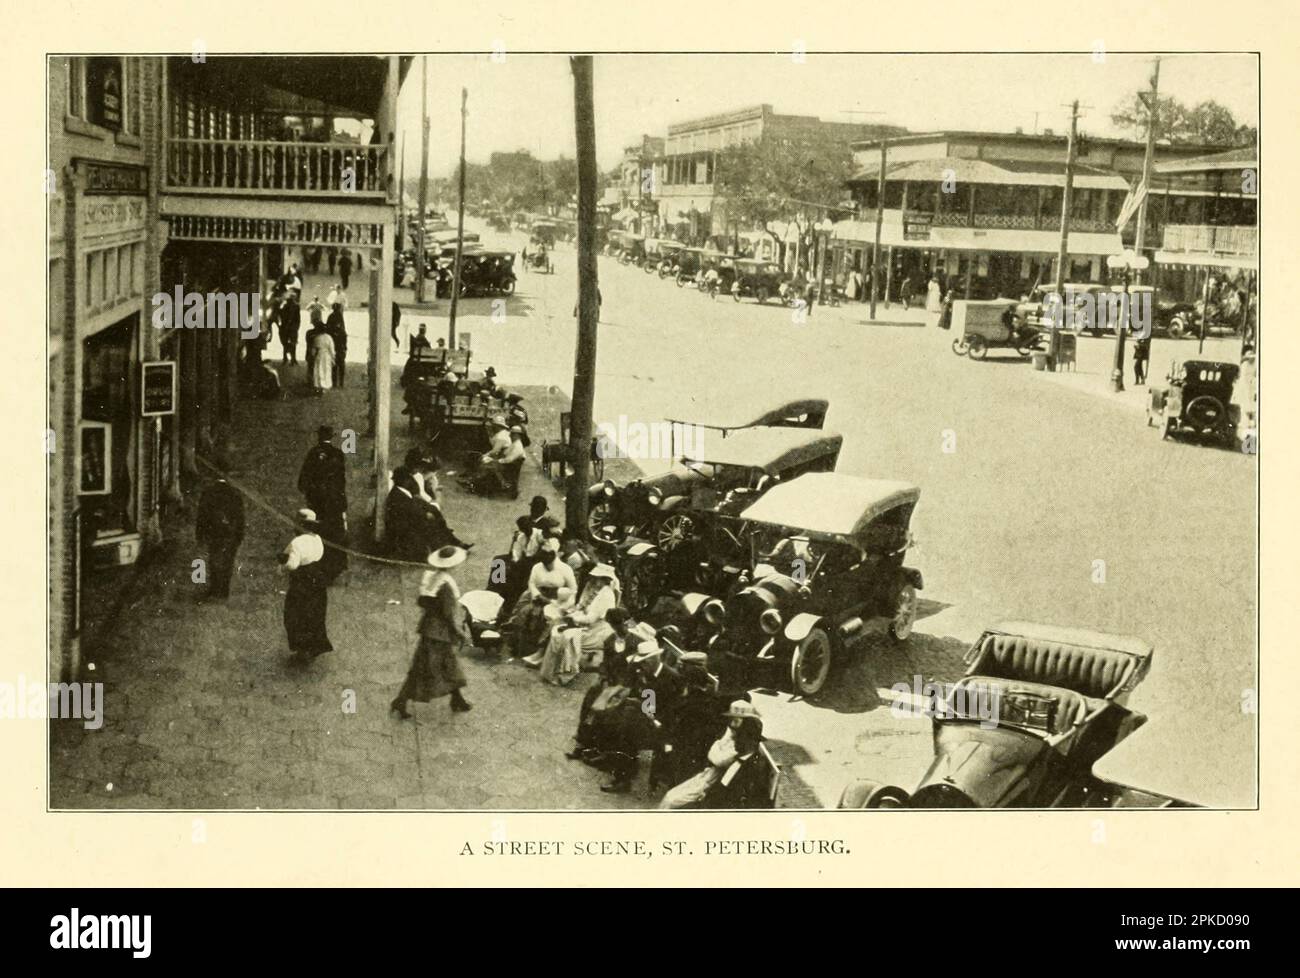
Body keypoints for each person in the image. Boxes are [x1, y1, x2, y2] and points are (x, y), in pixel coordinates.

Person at [391, 546, 473, 718]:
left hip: (429, 628)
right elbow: (448, 614)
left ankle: (457, 699)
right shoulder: (446, 585)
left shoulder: (432, 578)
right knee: (432, 667)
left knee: (445, 665)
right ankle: (401, 700)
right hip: (439, 633)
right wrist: (458, 632)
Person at [659, 700, 768, 809]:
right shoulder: (732, 736)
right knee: (669, 796)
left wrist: (719, 747)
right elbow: (712, 753)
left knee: (671, 800)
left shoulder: (742, 745)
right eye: (731, 718)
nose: (732, 722)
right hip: (708, 775)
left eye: (736, 719)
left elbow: (717, 759)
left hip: (712, 780)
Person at [532, 563, 622, 684]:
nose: (596, 581)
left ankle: (565, 673)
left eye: (600, 579)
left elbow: (591, 618)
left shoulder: (606, 595)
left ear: (607, 580)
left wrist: (573, 619)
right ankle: (547, 664)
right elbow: (580, 605)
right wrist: (571, 613)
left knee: (569, 636)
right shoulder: (590, 586)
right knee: (557, 624)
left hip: (598, 629)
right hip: (583, 621)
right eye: (595, 578)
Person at [500, 538, 576, 661]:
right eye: (544, 562)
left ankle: (538, 650)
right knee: (524, 612)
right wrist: (537, 595)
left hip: (556, 599)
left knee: (544, 617)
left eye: (549, 563)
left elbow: (573, 589)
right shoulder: (537, 567)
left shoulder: (565, 569)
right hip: (537, 596)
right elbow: (531, 583)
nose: (546, 566)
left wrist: (557, 602)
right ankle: (519, 647)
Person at [280, 509, 333, 664]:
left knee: (296, 614)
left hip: (301, 582)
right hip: (317, 580)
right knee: (315, 614)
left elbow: (292, 565)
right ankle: (314, 647)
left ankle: (302, 650)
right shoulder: (317, 539)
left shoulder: (296, 542)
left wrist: (283, 563)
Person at [298, 426, 348, 584]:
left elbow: (303, 480)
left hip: (317, 501)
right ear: (331, 437)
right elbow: (341, 481)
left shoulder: (313, 454)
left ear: (319, 437)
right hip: (333, 502)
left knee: (316, 530)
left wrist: (309, 492)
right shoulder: (338, 454)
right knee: (333, 532)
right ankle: (333, 566)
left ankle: (315, 563)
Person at [195, 476, 245, 601]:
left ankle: (215, 589)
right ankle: (224, 590)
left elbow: (202, 515)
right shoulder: (235, 493)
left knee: (214, 559)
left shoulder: (208, 492)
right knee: (228, 560)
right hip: (230, 533)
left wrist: (200, 534)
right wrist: (239, 535)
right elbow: (240, 517)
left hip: (214, 532)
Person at [308, 320, 335, 395]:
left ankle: (318, 386)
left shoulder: (317, 338)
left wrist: (313, 356)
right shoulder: (329, 338)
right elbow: (332, 349)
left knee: (319, 371)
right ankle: (325, 386)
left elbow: (313, 350)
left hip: (319, 356)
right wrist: (333, 358)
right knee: (326, 370)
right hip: (327, 356)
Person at [326, 303, 348, 388]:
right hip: (339, 345)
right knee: (341, 364)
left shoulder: (331, 316)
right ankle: (340, 382)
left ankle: (335, 382)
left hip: (334, 343)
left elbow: (328, 328)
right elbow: (343, 330)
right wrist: (345, 346)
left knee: (335, 364)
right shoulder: (339, 316)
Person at [278, 292, 301, 365]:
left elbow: (281, 315)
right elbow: (298, 318)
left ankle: (287, 358)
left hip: (287, 327)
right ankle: (292, 358)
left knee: (286, 343)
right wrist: (296, 327)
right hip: (291, 327)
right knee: (291, 343)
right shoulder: (295, 306)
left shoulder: (285, 305)